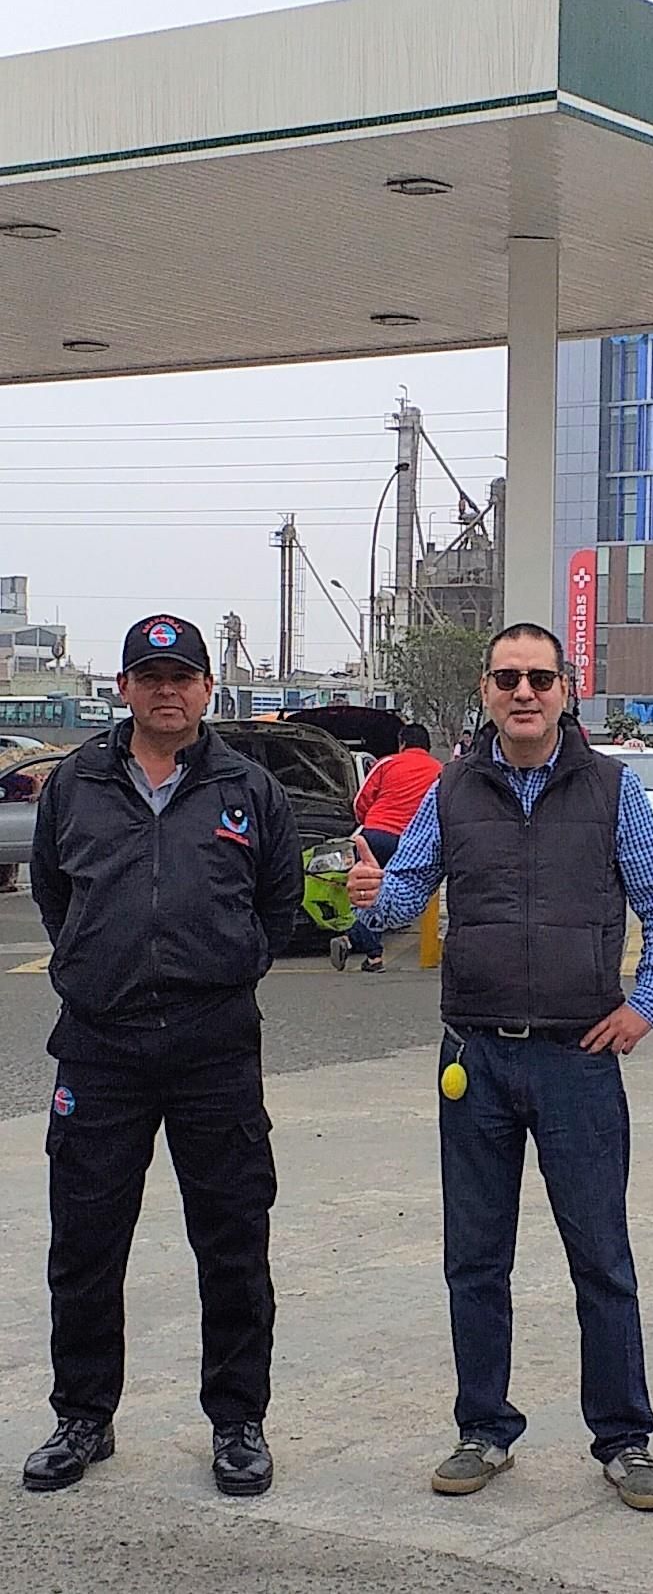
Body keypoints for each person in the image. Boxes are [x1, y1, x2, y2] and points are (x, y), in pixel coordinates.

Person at [346, 622, 653, 1511]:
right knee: (474, 1258)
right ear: (486, 689)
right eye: (508, 678)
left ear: (566, 691)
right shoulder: (452, 789)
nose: (524, 691)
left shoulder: (612, 790)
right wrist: (367, 899)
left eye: (540, 677)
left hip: (578, 1062)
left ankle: (624, 1441)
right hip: (475, 1061)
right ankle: (483, 1430)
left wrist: (642, 1007)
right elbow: (403, 901)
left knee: (600, 1258)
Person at [25, 614, 302, 1499]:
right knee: (85, 1241)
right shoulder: (76, 783)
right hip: (100, 1046)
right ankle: (82, 1416)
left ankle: (237, 1423)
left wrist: (220, 968)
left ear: (208, 691)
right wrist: (96, 964)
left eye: (183, 675)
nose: (167, 690)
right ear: (123, 689)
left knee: (231, 1238)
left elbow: (279, 907)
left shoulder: (248, 789)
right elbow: (54, 894)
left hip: (212, 1048)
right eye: (150, 675)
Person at [330, 722, 442, 974]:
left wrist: (365, 822)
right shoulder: (440, 770)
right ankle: (359, 946)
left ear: (402, 743)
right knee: (396, 894)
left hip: (376, 836)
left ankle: (370, 952)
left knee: (367, 895)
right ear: (428, 745)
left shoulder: (387, 763)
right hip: (412, 844)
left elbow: (360, 801)